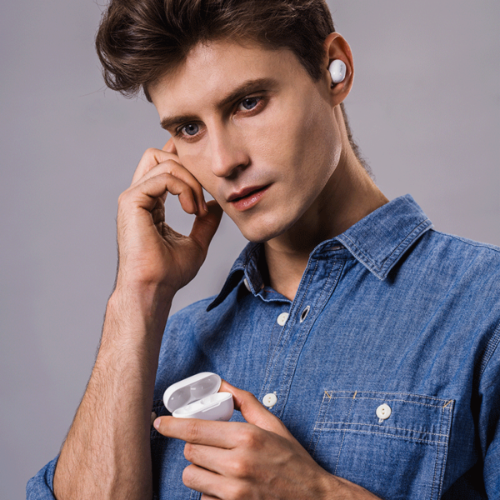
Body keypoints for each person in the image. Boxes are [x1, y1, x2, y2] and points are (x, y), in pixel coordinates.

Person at [27, 0, 500, 499]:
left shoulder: (484, 306)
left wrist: (318, 495)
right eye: (189, 128)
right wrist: (137, 295)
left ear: (334, 70)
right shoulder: (166, 343)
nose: (223, 162)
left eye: (248, 103)